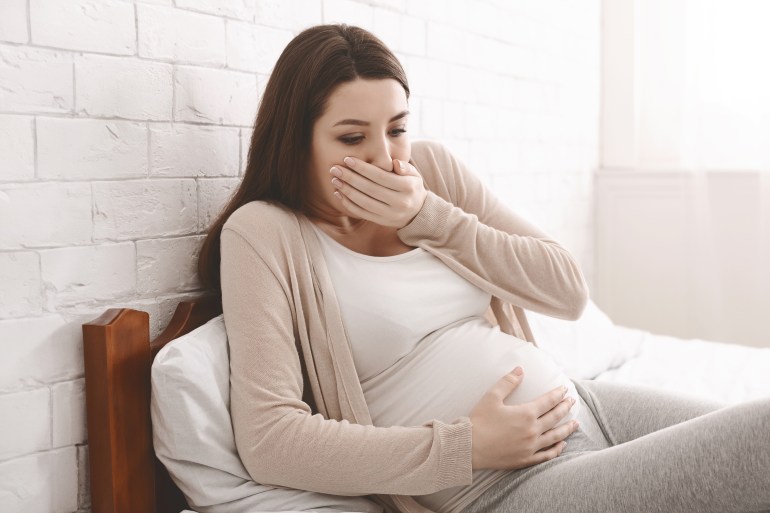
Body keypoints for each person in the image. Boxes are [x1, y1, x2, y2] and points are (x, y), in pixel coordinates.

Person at [197, 23, 770, 513]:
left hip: (582, 404)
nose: (387, 159)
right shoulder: (264, 232)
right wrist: (462, 448)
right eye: (352, 138)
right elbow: (271, 438)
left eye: (397, 128)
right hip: (501, 485)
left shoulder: (433, 175)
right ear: (297, 143)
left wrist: (430, 217)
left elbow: (566, 291)